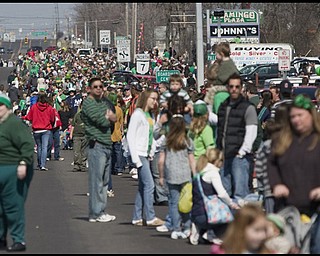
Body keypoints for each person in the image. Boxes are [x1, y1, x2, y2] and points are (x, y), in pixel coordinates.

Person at [267, 94, 320, 254]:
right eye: (293, 117)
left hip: (316, 209)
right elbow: (271, 165)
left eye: (300, 116)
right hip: (288, 207)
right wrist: (276, 184)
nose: (296, 120)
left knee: (316, 247)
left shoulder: (317, 140)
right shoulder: (282, 140)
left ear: (311, 115)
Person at [0, 94, 34, 252]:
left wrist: (23, 163)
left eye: (1, 105)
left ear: (7, 107)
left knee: (13, 205)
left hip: (13, 167)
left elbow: (27, 144)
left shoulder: (14, 123)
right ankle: (1, 238)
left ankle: (18, 239)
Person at [216, 73, 258, 202]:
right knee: (224, 194)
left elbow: (252, 131)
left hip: (240, 157)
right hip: (224, 155)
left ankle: (242, 221)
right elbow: (220, 128)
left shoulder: (248, 108)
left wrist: (242, 151)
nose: (234, 89)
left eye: (237, 87)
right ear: (227, 88)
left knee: (241, 195)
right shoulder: (223, 106)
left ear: (241, 88)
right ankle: (227, 221)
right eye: (231, 86)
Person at [81, 77, 117, 223]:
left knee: (104, 181)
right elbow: (102, 120)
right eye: (95, 86)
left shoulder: (102, 102)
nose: (98, 88)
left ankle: (100, 211)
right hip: (96, 145)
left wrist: (110, 117)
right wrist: (109, 117)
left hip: (107, 143)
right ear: (89, 88)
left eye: (101, 86)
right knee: (97, 181)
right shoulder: (88, 103)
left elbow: (113, 116)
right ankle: (96, 212)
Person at [126, 88, 164, 227]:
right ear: (145, 99)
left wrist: (152, 151)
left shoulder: (150, 116)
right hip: (139, 154)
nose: (155, 101)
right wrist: (135, 159)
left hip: (146, 154)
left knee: (143, 187)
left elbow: (152, 136)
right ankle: (150, 216)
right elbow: (130, 136)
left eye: (156, 99)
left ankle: (137, 217)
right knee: (149, 185)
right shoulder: (138, 114)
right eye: (152, 98)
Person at [158, 112, 196, 239]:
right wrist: (195, 174)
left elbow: (161, 160)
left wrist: (161, 176)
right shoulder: (187, 141)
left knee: (173, 203)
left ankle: (175, 228)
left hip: (171, 175)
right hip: (185, 175)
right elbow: (191, 160)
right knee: (186, 202)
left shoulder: (167, 140)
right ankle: (186, 226)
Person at [190, 148, 239, 246]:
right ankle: (212, 234)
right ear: (217, 161)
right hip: (208, 215)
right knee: (232, 213)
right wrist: (231, 203)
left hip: (196, 213)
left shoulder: (199, 173)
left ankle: (200, 229)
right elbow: (222, 193)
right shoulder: (213, 173)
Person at [22, 92, 55, 171]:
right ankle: (42, 165)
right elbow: (52, 119)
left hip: (36, 129)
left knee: (39, 147)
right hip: (46, 129)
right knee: (44, 147)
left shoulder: (34, 107)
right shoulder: (49, 108)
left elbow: (29, 117)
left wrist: (23, 117)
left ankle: (40, 163)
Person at [70, 100, 88, 172]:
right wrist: (71, 134)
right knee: (76, 151)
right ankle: (77, 165)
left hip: (85, 135)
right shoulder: (77, 115)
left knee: (84, 152)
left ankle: (83, 165)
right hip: (77, 135)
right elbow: (73, 125)